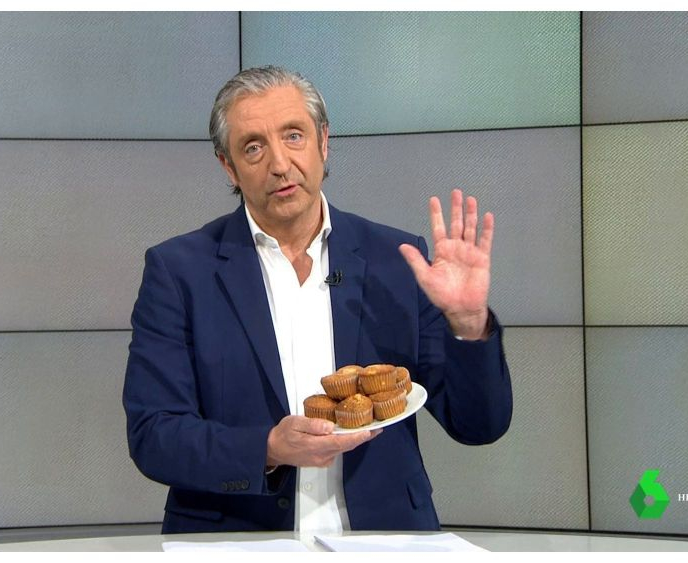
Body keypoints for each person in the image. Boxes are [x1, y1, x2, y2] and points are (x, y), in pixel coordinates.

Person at [123, 66, 512, 534]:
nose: (279, 164)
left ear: (323, 142)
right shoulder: (179, 271)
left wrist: (468, 323)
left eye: (293, 136)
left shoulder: (395, 259)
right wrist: (267, 448)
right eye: (253, 147)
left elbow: (479, 425)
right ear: (228, 166)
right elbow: (154, 435)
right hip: (236, 538)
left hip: (382, 538)